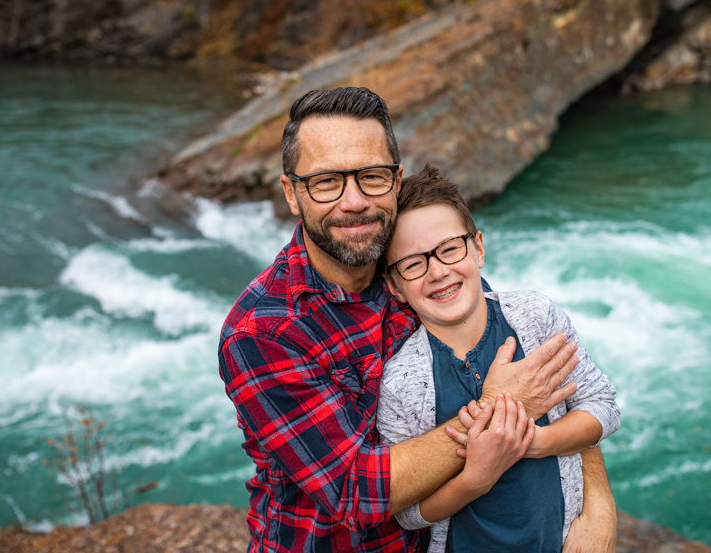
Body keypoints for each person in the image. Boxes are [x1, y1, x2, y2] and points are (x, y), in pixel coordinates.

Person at [218, 86, 618, 553]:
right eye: (327, 181)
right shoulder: (264, 332)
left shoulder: (419, 264)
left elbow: (550, 383)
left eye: (371, 176)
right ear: (292, 192)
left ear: (395, 179)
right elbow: (358, 493)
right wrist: (497, 408)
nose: (354, 201)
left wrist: (599, 505)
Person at [377, 164, 620, 552]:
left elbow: (602, 406)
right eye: (413, 263)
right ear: (395, 286)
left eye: (450, 248)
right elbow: (408, 512)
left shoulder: (535, 317)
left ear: (478, 248)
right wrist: (475, 478)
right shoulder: (400, 381)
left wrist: (536, 441)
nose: (438, 271)